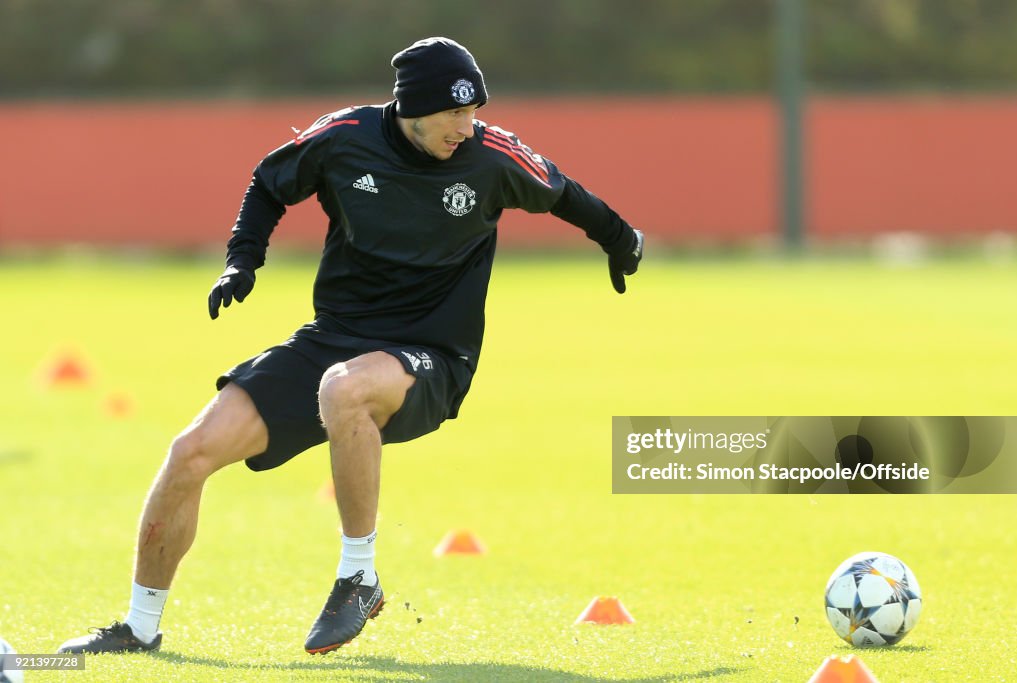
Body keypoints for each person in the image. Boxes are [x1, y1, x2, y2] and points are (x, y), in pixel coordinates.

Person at [58, 36, 643, 656]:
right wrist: (242, 262)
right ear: (411, 110)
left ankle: (358, 575)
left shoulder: (491, 156)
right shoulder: (344, 137)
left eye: (473, 112)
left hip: (431, 357)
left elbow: (563, 193)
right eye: (452, 113)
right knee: (190, 452)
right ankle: (139, 627)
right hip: (331, 339)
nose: (466, 128)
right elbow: (268, 181)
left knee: (346, 387)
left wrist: (621, 238)